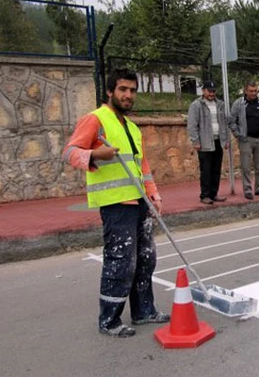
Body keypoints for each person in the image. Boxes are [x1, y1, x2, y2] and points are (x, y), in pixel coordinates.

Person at [62, 69, 170, 338]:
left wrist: (153, 194)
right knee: (121, 261)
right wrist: (95, 154)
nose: (128, 95)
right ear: (110, 92)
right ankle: (109, 320)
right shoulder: (95, 120)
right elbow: (69, 152)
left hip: (139, 202)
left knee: (146, 259)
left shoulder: (131, 127)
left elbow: (141, 164)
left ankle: (144, 311)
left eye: (132, 90)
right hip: (116, 204)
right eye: (122, 89)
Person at [187, 80, 230, 205]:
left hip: (218, 141)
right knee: (206, 170)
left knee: (216, 169)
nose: (212, 93)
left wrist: (226, 139)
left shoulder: (220, 104)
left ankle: (213, 193)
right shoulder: (196, 105)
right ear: (203, 91)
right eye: (209, 91)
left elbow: (224, 123)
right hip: (205, 142)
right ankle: (205, 195)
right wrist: (196, 141)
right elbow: (192, 125)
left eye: (213, 91)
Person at [228, 81, 259, 200]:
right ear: (245, 91)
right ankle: (247, 190)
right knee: (246, 167)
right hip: (246, 139)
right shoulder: (239, 104)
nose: (253, 93)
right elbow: (232, 121)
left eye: (255, 91)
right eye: (251, 91)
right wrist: (238, 135)